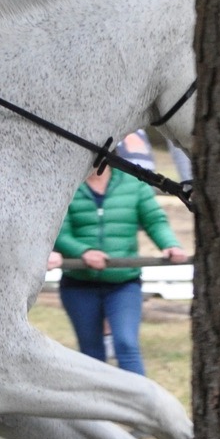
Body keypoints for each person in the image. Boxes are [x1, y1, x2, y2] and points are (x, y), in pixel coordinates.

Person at [51, 161, 188, 377]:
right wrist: (83, 251)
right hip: (78, 284)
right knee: (91, 352)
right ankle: (96, 398)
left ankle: (140, 397)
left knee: (126, 344)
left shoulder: (134, 184)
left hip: (124, 283)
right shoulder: (65, 185)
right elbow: (58, 230)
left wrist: (170, 244)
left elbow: (154, 220)